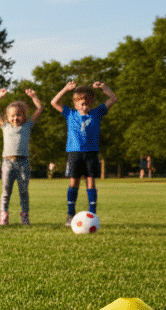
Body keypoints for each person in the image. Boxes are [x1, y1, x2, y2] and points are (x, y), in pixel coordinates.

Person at [50, 80, 117, 224]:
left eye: (87, 103)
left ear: (91, 102)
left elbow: (113, 99)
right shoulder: (70, 113)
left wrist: (104, 87)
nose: (84, 106)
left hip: (91, 153)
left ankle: (92, 214)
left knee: (91, 181)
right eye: (81, 103)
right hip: (74, 153)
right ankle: (70, 214)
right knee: (74, 181)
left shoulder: (97, 113)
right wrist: (66, 89)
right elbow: (54, 102)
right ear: (75, 103)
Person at [0, 88, 44, 225]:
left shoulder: (27, 126)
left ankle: (24, 215)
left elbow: (40, 108)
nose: (15, 118)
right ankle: (4, 214)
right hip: (8, 162)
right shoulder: (5, 126)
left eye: (19, 115)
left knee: (23, 192)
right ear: (7, 117)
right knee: (6, 191)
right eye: (12, 116)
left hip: (23, 163)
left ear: (24, 116)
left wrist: (33, 96)